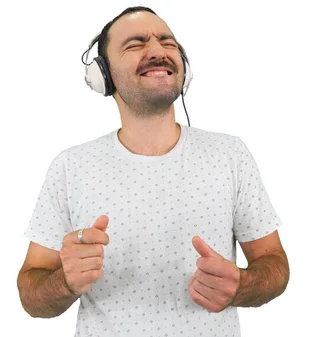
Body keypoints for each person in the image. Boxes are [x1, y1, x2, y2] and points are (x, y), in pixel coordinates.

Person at [16, 6, 290, 337]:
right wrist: (64, 282)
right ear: (103, 75)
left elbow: (274, 263)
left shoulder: (230, 155)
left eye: (167, 41)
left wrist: (243, 285)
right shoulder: (71, 167)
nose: (158, 51)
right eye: (135, 44)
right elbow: (31, 294)